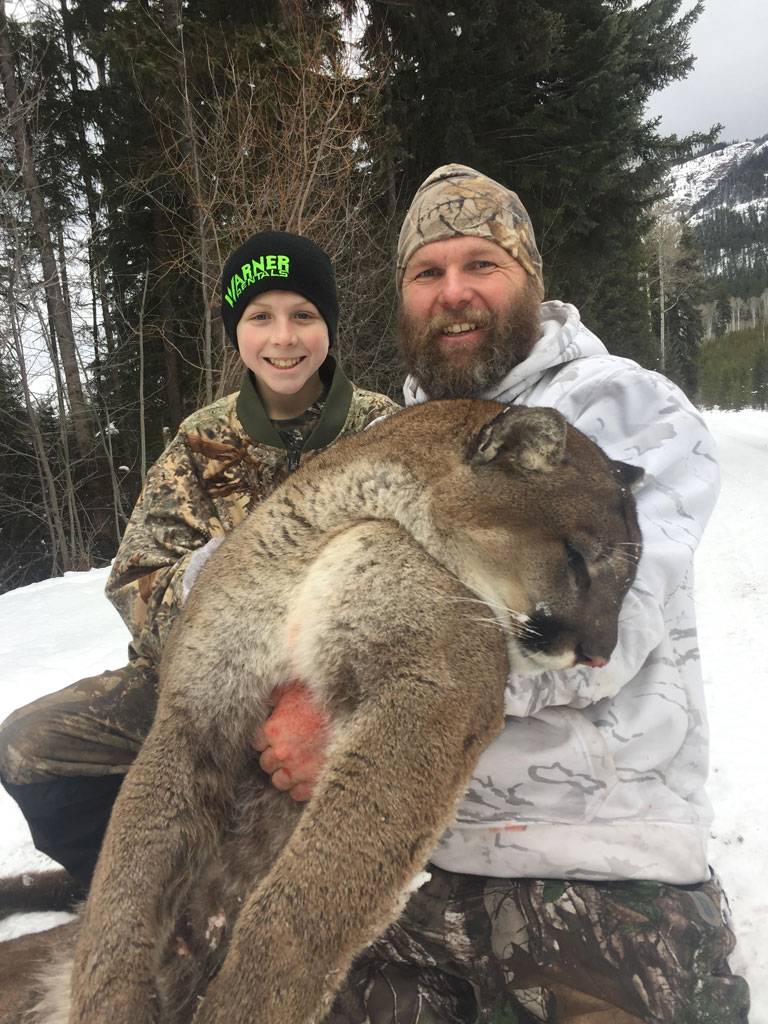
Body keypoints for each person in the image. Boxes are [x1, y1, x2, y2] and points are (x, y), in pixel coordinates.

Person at [255, 166, 751, 1023]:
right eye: (427, 273)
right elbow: (277, 563)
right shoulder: (391, 441)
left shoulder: (626, 410)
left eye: (481, 264)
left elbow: (597, 643)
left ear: (531, 278)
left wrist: (344, 709)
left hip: (594, 860)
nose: (454, 293)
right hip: (411, 854)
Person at [0, 230, 397, 890]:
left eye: (304, 315)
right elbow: (136, 583)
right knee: (29, 745)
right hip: (207, 683)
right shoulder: (201, 440)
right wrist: (205, 577)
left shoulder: (384, 430)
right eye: (259, 317)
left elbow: (422, 584)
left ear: (329, 324)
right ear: (234, 331)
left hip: (335, 694)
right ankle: (140, 893)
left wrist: (330, 694)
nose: (283, 338)